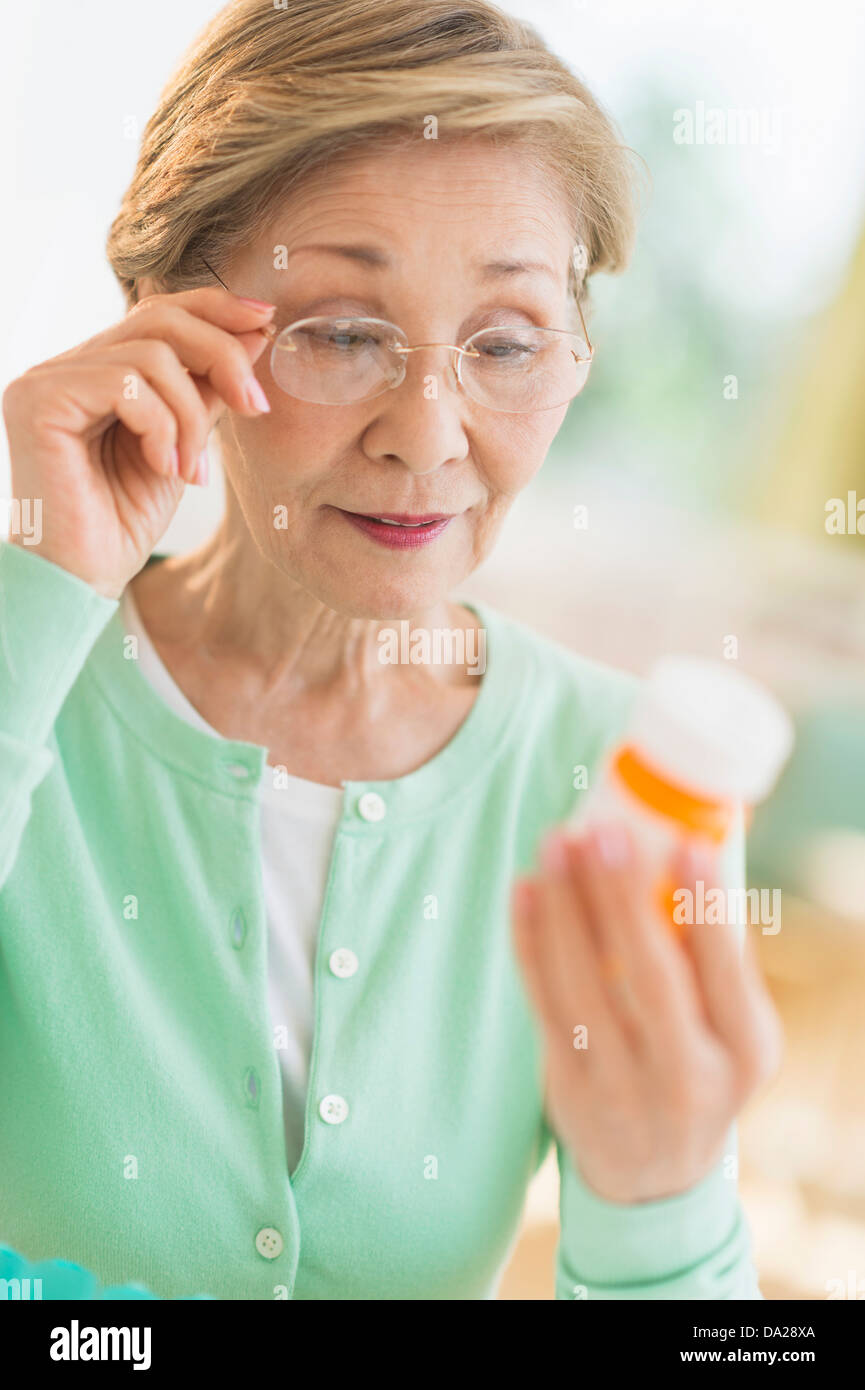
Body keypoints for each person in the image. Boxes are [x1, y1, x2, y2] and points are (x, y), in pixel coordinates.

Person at [0, 0, 781, 1300]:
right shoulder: (31, 681)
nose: (426, 436)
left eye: (505, 343)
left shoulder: (626, 771)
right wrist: (33, 591)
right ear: (163, 320)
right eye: (343, 331)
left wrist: (664, 1196)